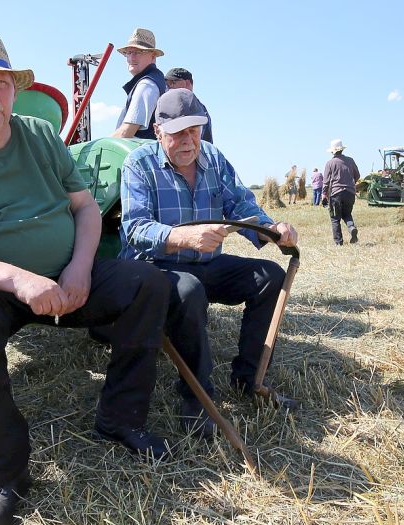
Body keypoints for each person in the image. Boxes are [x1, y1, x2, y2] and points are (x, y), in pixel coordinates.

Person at [0, 33, 171, 525]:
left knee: (149, 284)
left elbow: (86, 206)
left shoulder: (39, 134)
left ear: (13, 90)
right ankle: (5, 474)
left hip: (64, 281)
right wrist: (17, 279)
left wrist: (80, 267)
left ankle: (120, 419)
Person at [120, 89, 300, 440]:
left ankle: (249, 379)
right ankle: (195, 402)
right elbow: (135, 228)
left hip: (205, 263)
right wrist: (183, 237)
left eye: (195, 131)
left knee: (270, 277)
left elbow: (242, 206)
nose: (188, 141)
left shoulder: (215, 160)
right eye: (178, 133)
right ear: (158, 131)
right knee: (189, 292)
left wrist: (272, 229)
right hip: (157, 267)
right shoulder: (139, 165)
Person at [112, 28, 166, 139]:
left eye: (138, 52)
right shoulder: (157, 81)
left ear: (153, 56)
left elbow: (126, 133)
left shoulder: (146, 85)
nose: (131, 58)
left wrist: (96, 147)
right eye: (129, 53)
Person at [322, 139, 361, 245]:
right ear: (342, 149)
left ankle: (339, 242)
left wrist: (324, 195)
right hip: (350, 193)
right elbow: (357, 175)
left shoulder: (330, 163)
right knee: (347, 214)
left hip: (336, 194)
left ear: (332, 151)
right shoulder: (350, 160)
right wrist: (350, 183)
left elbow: (325, 181)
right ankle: (351, 227)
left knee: (335, 218)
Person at [164, 67, 213, 143]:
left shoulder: (198, 109)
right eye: (166, 84)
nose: (168, 87)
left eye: (173, 83)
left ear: (187, 83)